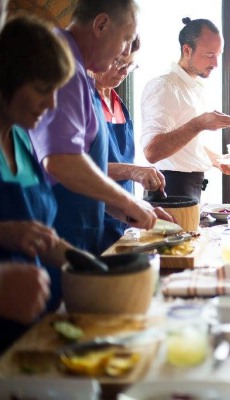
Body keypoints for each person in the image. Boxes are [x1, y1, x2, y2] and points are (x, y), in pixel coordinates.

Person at [28, 0, 168, 255]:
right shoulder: (62, 65)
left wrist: (129, 210)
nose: (125, 52)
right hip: (57, 239)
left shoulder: (79, 71)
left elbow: (87, 171)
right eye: (126, 39)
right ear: (101, 24)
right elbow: (60, 162)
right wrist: (129, 202)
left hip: (80, 238)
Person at [0, 14, 75, 350]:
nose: (52, 104)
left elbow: (42, 237)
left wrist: (95, 267)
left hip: (30, 333)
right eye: (43, 90)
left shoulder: (20, 139)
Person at [141, 17, 230, 203]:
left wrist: (217, 159)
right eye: (209, 55)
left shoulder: (193, 88)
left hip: (190, 186)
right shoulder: (163, 87)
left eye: (218, 55)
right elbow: (151, 151)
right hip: (170, 188)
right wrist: (199, 124)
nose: (216, 64)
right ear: (187, 50)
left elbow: (186, 144)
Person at [89, 36, 166, 251]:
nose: (124, 72)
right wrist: (133, 171)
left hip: (122, 218)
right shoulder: (84, 101)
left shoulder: (118, 103)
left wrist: (138, 208)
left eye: (130, 65)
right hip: (92, 218)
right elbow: (78, 169)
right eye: (119, 63)